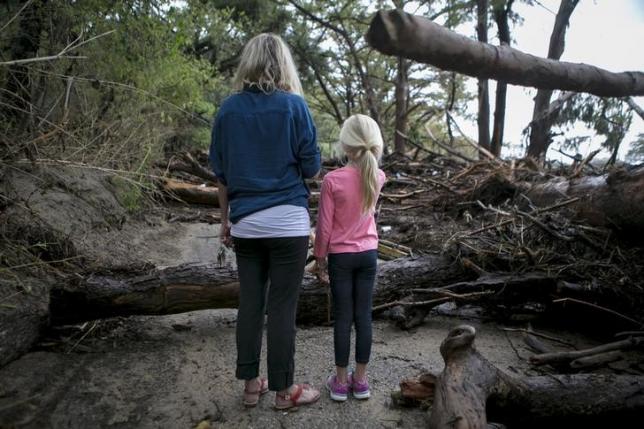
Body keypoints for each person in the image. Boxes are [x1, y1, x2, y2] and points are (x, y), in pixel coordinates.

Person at [209, 33, 321, 410]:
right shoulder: (295, 107)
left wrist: (225, 220)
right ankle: (284, 392)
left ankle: (250, 385)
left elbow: (221, 176)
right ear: (284, 64)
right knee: (283, 307)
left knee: (251, 305)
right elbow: (312, 167)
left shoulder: (227, 110)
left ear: (249, 63)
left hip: (247, 225)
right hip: (288, 223)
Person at [314, 114, 386, 402]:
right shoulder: (378, 176)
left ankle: (341, 383)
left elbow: (324, 227)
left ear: (346, 146)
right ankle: (362, 380)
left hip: (341, 258)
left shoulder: (332, 180)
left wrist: (319, 259)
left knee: (343, 318)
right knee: (363, 317)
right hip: (369, 254)